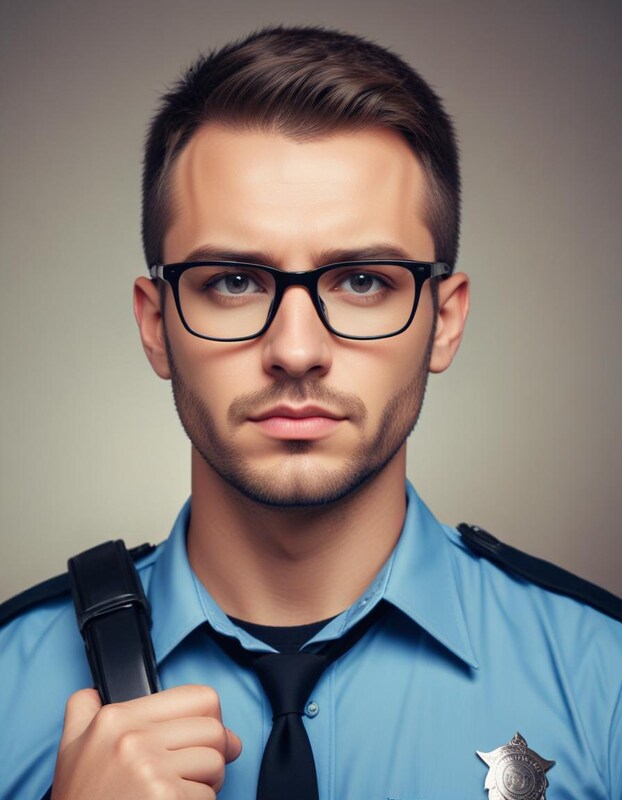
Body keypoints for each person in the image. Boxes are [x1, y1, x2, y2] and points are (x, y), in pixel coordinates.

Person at [1, 24, 620, 800]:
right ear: (157, 324)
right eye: (233, 281)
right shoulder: (6, 689)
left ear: (445, 321)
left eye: (363, 280)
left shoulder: (604, 685)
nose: (297, 351)